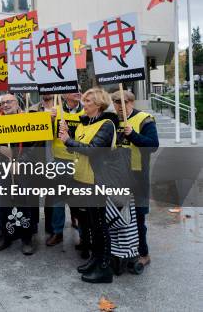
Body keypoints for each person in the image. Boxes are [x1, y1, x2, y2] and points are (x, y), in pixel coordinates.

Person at [59, 88, 118, 283]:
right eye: (84, 100)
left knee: (100, 225)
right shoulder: (86, 123)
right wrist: (67, 138)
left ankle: (104, 268)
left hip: (97, 181)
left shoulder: (107, 124)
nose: (84, 104)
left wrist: (69, 140)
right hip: (82, 179)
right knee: (91, 224)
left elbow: (93, 150)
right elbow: (76, 147)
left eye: (89, 101)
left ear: (99, 105)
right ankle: (95, 258)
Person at [111, 90, 159, 267]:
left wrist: (133, 135)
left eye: (123, 101)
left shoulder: (144, 119)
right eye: (116, 102)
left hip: (137, 175)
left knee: (138, 216)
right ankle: (122, 249)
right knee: (118, 215)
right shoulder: (113, 119)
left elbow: (153, 146)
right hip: (117, 176)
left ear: (131, 102)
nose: (119, 105)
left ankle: (143, 253)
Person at [0, 94, 41, 256]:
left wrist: (21, 161)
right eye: (2, 103)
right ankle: (6, 236)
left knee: (25, 204)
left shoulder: (28, 120)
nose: (5, 105)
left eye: (8, 102)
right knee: (4, 204)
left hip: (24, 169)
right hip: (3, 169)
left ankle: (27, 238)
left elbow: (36, 144)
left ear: (17, 104)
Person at [46, 91, 85, 247]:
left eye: (80, 90)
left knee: (81, 201)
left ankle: (84, 235)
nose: (79, 93)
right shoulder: (54, 111)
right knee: (58, 200)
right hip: (60, 161)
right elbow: (44, 135)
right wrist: (49, 121)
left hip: (81, 161)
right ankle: (57, 232)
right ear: (64, 95)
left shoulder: (87, 110)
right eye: (74, 90)